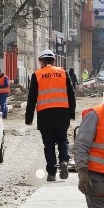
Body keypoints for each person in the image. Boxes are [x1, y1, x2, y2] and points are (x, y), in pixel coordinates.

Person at [25, 49, 76, 182]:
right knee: (62, 139)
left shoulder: (37, 75)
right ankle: (64, 160)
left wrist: (29, 118)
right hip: (62, 113)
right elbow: (71, 95)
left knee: (49, 144)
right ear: (54, 60)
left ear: (41, 61)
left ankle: (52, 172)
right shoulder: (63, 73)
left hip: (45, 114)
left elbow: (32, 99)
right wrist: (71, 113)